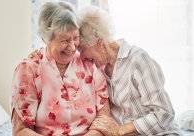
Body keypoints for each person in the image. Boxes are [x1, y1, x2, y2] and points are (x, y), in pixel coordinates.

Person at [78, 6, 181, 136]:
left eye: (82, 49)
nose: (81, 56)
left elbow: (164, 113)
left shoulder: (138, 60)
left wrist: (122, 129)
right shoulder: (99, 69)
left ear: (98, 41)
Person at [10, 2, 110, 136]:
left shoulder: (89, 63)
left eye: (75, 38)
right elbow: (21, 130)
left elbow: (104, 118)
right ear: (46, 39)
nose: (73, 47)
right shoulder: (28, 70)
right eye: (64, 40)